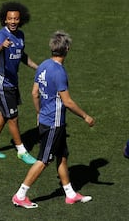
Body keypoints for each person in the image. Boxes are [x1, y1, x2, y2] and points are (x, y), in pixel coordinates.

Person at [12, 31, 95, 209]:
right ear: (67, 49)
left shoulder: (43, 65)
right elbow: (68, 102)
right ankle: (20, 194)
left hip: (46, 119)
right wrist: (85, 116)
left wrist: (38, 112)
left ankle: (70, 193)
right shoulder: (59, 72)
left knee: (62, 156)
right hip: (53, 123)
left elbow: (34, 93)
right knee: (44, 160)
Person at [0, 2, 38, 164]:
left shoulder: (20, 35)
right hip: (1, 82)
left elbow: (22, 55)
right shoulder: (1, 35)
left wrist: (37, 67)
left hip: (12, 82)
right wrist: (2, 46)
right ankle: (21, 151)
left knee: (4, 113)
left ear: (20, 20)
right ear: (5, 20)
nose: (13, 22)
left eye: (16, 19)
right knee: (13, 117)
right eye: (10, 19)